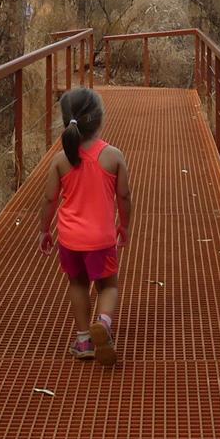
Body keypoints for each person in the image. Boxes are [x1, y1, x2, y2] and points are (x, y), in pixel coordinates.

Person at [39, 86, 132, 364]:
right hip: (101, 239)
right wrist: (124, 225)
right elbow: (125, 196)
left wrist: (44, 229)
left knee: (77, 283)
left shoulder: (60, 160)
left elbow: (48, 199)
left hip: (70, 240)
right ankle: (102, 325)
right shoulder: (113, 156)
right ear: (100, 119)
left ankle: (83, 341)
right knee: (108, 286)